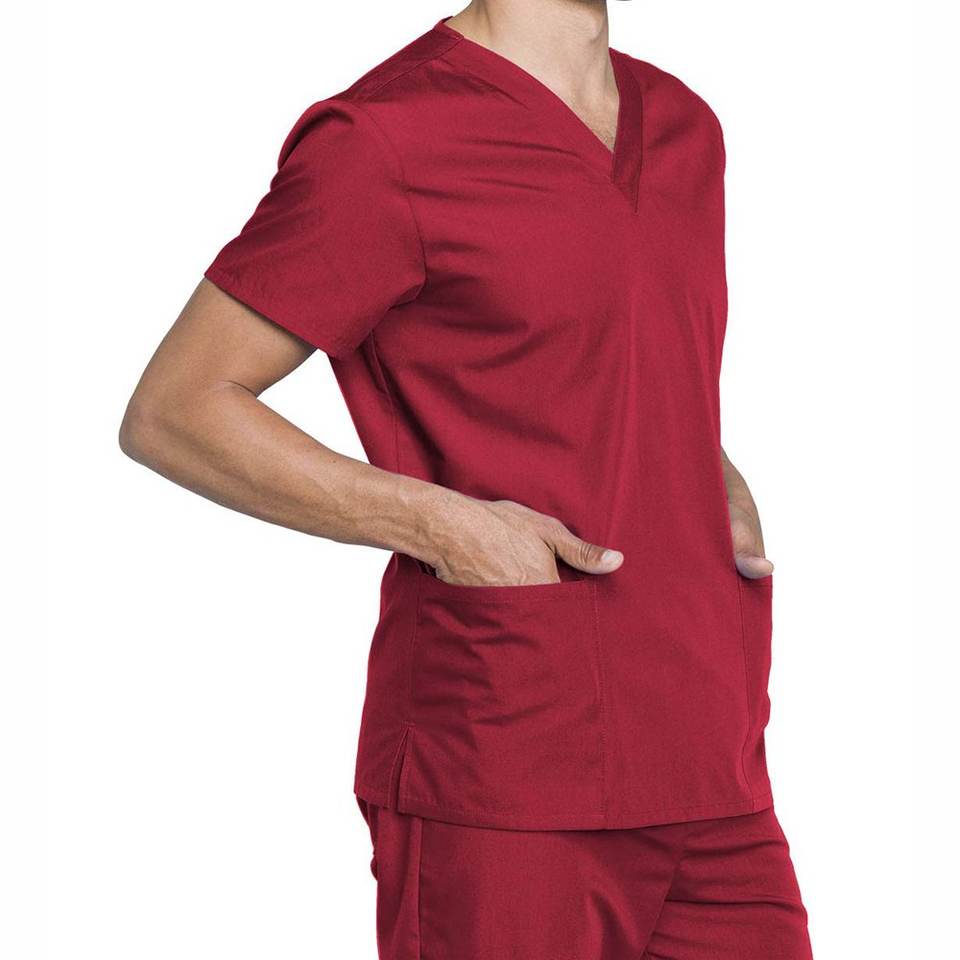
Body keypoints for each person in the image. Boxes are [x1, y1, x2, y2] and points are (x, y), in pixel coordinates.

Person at [120, 1, 813, 957]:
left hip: (709, 748)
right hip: (506, 756)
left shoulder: (686, 125)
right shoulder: (386, 140)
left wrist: (708, 467)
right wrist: (443, 526)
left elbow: (601, 359)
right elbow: (177, 408)